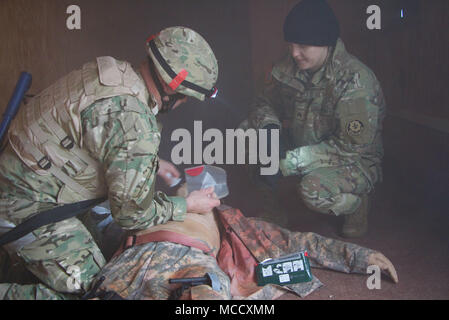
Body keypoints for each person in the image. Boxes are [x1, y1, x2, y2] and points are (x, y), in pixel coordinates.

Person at [0, 27, 221, 300]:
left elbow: (97, 133)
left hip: (19, 175)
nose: (184, 102)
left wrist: (152, 162)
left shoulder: (111, 72)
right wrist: (187, 204)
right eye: (186, 96)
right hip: (25, 206)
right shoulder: (135, 122)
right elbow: (131, 214)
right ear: (170, 87)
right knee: (103, 290)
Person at [87, 183, 398, 300]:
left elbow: (297, 242)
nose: (204, 191)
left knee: (203, 297)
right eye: (192, 186)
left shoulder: (234, 222)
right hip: (131, 261)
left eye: (211, 190)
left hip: (189, 267)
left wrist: (361, 257)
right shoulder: (156, 205)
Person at [240, 0, 386, 238]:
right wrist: (268, 131)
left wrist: (287, 163)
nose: (294, 52)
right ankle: (274, 212)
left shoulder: (356, 82)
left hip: (352, 160)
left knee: (312, 189)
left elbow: (350, 148)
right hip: (304, 143)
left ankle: (356, 204)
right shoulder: (289, 66)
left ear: (325, 42)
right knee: (247, 137)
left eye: (303, 45)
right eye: (291, 44)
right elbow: (262, 102)